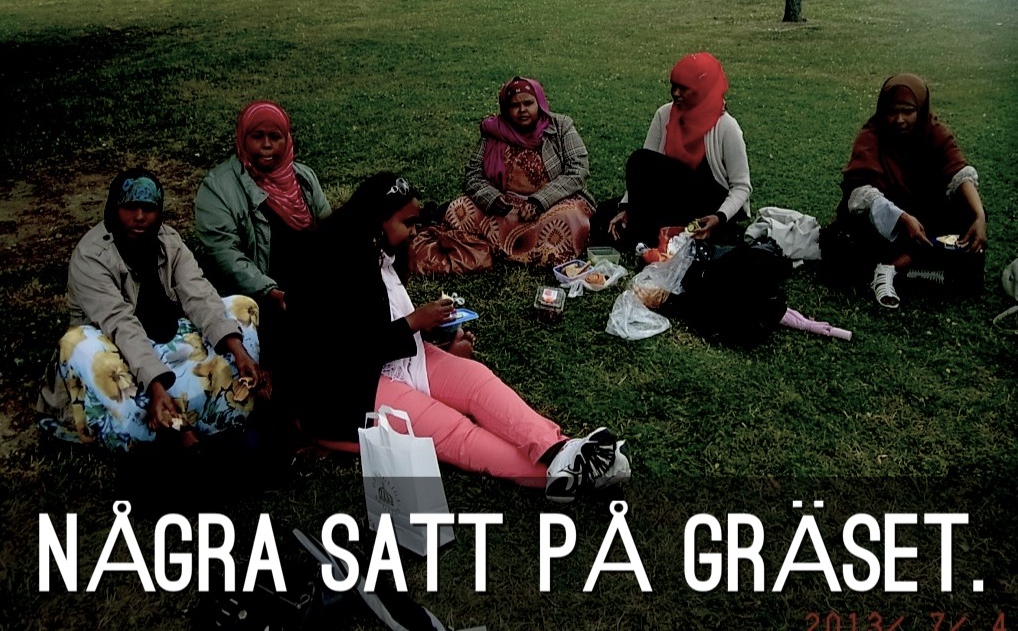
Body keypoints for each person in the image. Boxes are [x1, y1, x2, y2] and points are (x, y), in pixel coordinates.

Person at [288, 172, 629, 502]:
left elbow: (384, 324)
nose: (415, 231)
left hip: (398, 359)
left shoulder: (380, 254)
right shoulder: (334, 263)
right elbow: (348, 350)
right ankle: (560, 475)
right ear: (378, 220)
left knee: (477, 380)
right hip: (346, 392)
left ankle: (561, 448)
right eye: (408, 223)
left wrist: (432, 331)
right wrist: (414, 322)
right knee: (453, 430)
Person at [37, 169, 264, 451]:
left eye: (149, 208)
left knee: (242, 308)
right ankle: (172, 429)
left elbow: (199, 295)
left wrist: (238, 351)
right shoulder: (91, 256)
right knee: (78, 342)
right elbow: (120, 324)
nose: (140, 217)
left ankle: (216, 419)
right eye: (130, 208)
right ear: (113, 208)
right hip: (117, 357)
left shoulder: (169, 242)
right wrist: (156, 386)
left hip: (161, 345)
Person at [824, 74, 986, 308]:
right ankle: (907, 267)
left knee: (968, 214)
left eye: (908, 111)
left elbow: (959, 173)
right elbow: (861, 192)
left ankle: (896, 267)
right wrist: (901, 218)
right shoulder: (871, 136)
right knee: (847, 241)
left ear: (921, 109)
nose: (899, 120)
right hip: (885, 220)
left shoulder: (934, 132)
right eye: (892, 112)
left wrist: (979, 216)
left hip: (926, 217)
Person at [194, 100, 331, 375]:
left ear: (287, 139)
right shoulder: (218, 188)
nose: (266, 145)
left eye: (275, 137)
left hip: (305, 293)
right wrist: (270, 291)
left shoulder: (303, 178)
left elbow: (330, 233)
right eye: (257, 136)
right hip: (258, 301)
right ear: (243, 139)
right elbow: (224, 254)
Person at [431, 77, 595, 269]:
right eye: (515, 105)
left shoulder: (560, 126)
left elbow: (578, 170)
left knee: (570, 217)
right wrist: (493, 199)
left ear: (539, 103)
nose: (522, 110)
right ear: (505, 108)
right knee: (459, 208)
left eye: (528, 103)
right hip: (506, 208)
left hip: (551, 204)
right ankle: (513, 249)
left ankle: (502, 248)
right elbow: (473, 175)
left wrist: (538, 202)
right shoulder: (494, 131)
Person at [597, 52, 751, 251]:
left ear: (702, 90)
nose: (676, 93)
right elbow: (643, 176)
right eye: (673, 86)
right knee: (605, 212)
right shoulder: (664, 115)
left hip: (707, 206)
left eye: (684, 88)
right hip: (672, 197)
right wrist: (627, 207)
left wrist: (719, 217)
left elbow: (741, 186)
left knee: (640, 160)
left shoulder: (726, 127)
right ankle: (649, 232)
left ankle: (649, 235)